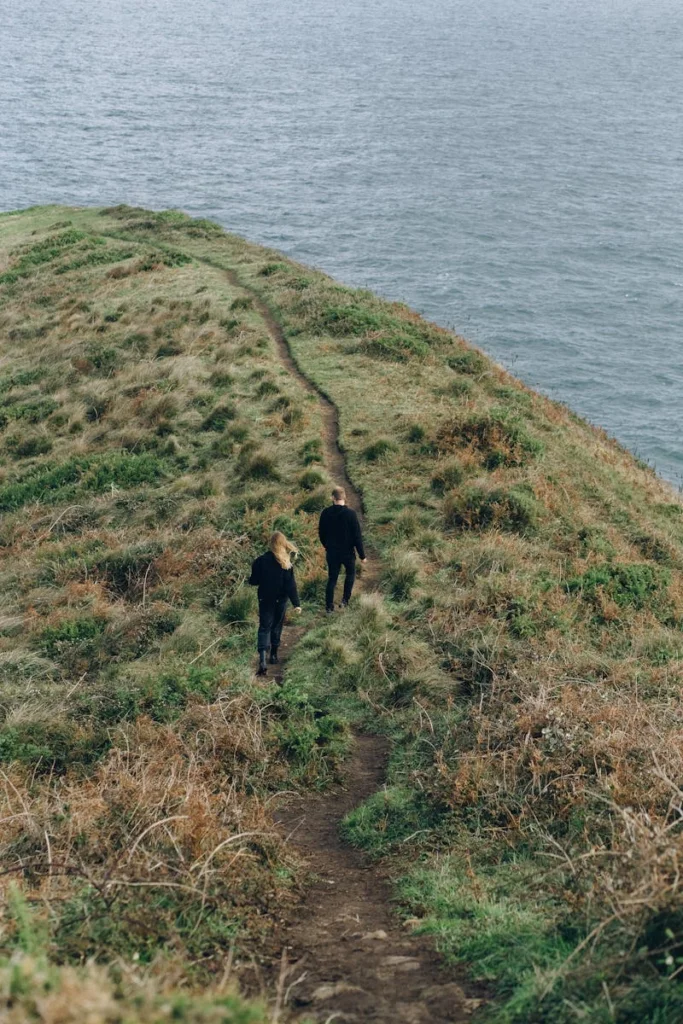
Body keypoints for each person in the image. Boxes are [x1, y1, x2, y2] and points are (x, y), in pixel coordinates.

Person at [248, 531, 302, 676]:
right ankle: (273, 655)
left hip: (265, 599)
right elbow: (291, 586)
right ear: (283, 544)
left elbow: (254, 581)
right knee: (277, 626)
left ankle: (262, 659)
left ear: (270, 544)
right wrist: (296, 604)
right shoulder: (286, 564)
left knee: (264, 627)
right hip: (281, 600)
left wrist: (253, 579)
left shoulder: (260, 561)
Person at [318, 485, 367, 612]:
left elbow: (321, 533)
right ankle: (345, 601)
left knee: (332, 578)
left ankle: (329, 606)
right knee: (350, 574)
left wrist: (326, 545)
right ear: (344, 497)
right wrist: (362, 555)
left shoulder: (325, 513)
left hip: (332, 552)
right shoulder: (351, 514)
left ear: (333, 498)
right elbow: (357, 536)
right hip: (347, 553)